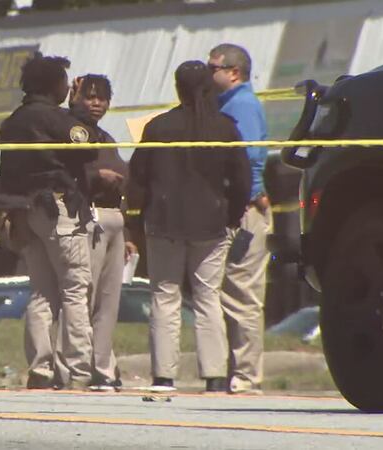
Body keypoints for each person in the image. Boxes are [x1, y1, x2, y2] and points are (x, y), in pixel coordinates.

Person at [129, 61, 251, 392]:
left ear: (177, 88)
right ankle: (214, 376)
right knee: (207, 297)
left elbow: (138, 177)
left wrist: (135, 221)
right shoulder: (225, 128)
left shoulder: (158, 127)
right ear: (208, 88)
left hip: (163, 221)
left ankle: (163, 376)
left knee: (164, 296)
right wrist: (233, 215)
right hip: (211, 223)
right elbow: (243, 179)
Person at [0, 52, 97, 390]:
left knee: (41, 291)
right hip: (58, 209)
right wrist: (78, 109)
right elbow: (89, 145)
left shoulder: (13, 120)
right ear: (55, 84)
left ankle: (40, 369)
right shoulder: (56, 119)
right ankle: (79, 369)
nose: (68, 87)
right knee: (74, 288)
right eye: (65, 82)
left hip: (26, 211)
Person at [67, 74, 137, 391]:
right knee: (85, 296)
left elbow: (126, 176)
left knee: (109, 301)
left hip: (114, 220)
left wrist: (130, 231)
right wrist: (97, 175)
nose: (96, 103)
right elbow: (67, 171)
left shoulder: (107, 138)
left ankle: (104, 366)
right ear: (75, 96)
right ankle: (78, 367)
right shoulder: (70, 132)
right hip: (86, 218)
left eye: (102, 98)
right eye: (90, 96)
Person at [208, 43, 271, 394]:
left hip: (245, 209)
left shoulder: (242, 106)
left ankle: (247, 377)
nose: (207, 72)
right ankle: (238, 371)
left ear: (233, 72)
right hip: (235, 206)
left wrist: (251, 196)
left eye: (212, 67)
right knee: (229, 292)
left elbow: (248, 158)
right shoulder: (225, 106)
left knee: (242, 294)